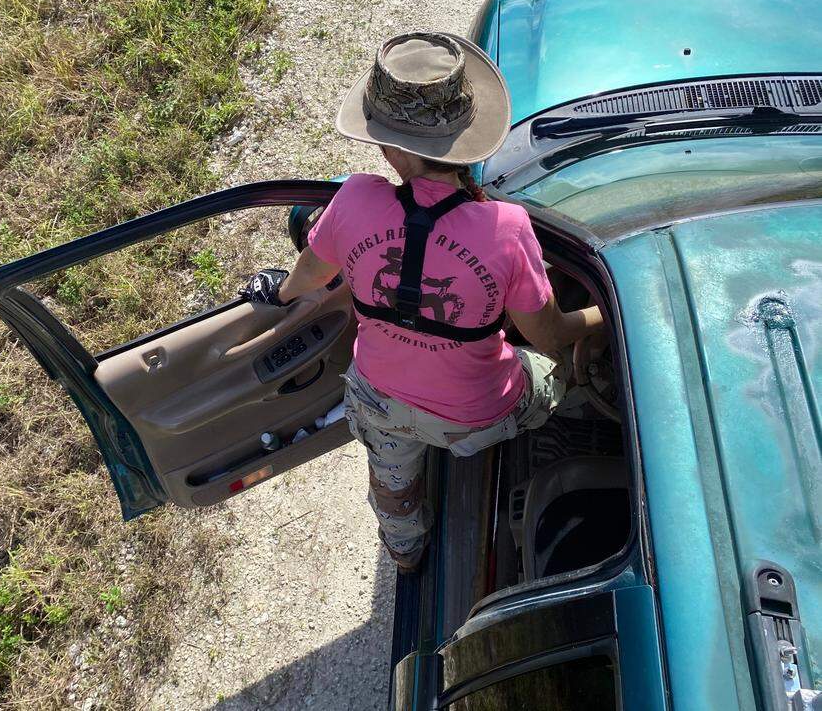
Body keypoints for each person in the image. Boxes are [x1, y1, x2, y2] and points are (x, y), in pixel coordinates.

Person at [241, 32, 604, 572]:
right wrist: (604, 316)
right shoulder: (508, 229)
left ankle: (406, 551)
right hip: (478, 415)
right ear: (466, 141)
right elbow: (550, 334)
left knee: (391, 486)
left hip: (379, 399)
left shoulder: (353, 200)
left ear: (389, 148)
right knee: (557, 373)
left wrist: (277, 292)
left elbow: (308, 277)